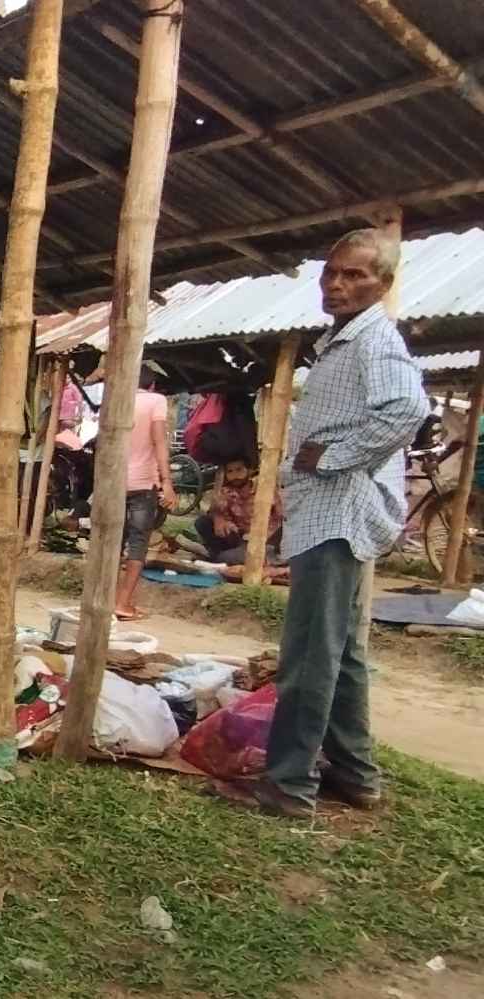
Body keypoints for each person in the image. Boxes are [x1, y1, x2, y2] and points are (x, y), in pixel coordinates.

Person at [253, 229, 427, 819]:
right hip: (327, 514)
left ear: (383, 282)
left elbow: (408, 410)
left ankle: (289, 783)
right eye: (332, 273)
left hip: (339, 515)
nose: (337, 284)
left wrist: (332, 456)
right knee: (343, 651)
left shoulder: (375, 339)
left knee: (309, 653)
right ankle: (355, 774)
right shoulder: (344, 341)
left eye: (354, 275)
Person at [113, 366, 177, 621]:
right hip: (142, 483)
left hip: (113, 482)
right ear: (152, 385)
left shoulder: (117, 399)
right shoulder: (156, 401)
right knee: (138, 543)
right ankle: (123, 603)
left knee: (112, 542)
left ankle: (104, 600)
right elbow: (159, 442)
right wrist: (167, 481)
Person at [194, 456, 282, 565]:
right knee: (203, 522)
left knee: (225, 558)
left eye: (239, 470)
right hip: (241, 540)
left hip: (266, 540)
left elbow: (280, 518)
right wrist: (220, 520)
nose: (235, 475)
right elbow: (217, 512)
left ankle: (258, 558)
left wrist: (260, 538)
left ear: (249, 471)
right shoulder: (227, 492)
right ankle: (225, 557)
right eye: (230, 471)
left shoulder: (264, 489)